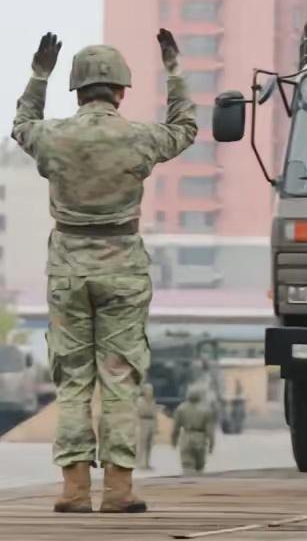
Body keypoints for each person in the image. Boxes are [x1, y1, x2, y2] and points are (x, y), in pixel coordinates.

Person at [12, 30, 197, 513]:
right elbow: (185, 129)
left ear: (77, 90)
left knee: (73, 380)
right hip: (123, 269)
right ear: (121, 90)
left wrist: (38, 76)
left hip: (69, 268)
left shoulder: (53, 137)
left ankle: (73, 489)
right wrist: (174, 72)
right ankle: (119, 489)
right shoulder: (139, 138)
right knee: (120, 380)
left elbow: (21, 124)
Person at [172, 385, 216, 476]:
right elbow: (210, 431)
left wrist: (174, 441)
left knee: (187, 466)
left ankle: (188, 484)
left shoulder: (181, 408)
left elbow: (175, 428)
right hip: (200, 438)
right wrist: (211, 445)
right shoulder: (206, 410)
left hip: (186, 437)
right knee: (200, 467)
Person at [135, 383, 158, 470]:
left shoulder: (153, 401)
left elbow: (155, 414)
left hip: (151, 422)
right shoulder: (140, 400)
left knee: (149, 445)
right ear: (144, 391)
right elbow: (137, 413)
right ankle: (140, 463)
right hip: (142, 422)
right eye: (148, 390)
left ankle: (147, 463)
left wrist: (156, 426)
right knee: (141, 444)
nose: (150, 392)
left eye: (151, 390)